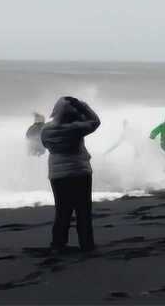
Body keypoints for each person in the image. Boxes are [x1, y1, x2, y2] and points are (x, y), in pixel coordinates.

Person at [41, 96, 100, 252]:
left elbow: (45, 145)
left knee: (62, 211)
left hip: (58, 175)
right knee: (83, 211)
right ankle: (86, 244)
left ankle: (58, 244)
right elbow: (95, 122)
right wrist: (83, 106)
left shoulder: (46, 130)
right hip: (80, 172)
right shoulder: (76, 128)